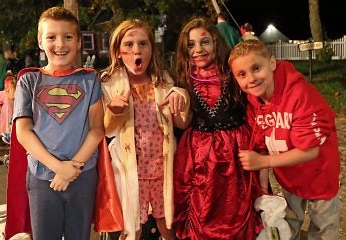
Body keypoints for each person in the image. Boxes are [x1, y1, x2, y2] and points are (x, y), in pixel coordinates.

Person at [228, 39, 341, 240]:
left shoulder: (299, 94)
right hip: (290, 177)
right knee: (289, 224)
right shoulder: (254, 102)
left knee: (324, 228)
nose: (251, 78)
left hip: (319, 174)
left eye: (256, 68)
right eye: (242, 74)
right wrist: (263, 188)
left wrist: (265, 162)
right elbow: (261, 145)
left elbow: (310, 150)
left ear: (272, 63)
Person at [12, 7, 105, 239]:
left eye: (68, 37)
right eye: (51, 37)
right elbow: (23, 132)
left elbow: (97, 129)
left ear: (78, 41)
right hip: (43, 178)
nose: (60, 44)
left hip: (82, 176)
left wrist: (71, 169)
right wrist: (58, 168)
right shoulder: (28, 80)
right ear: (41, 41)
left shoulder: (90, 79)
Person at [173, 17, 264, 239]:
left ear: (216, 42)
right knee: (201, 212)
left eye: (204, 42)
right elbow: (182, 123)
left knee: (239, 208)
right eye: (191, 45)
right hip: (199, 155)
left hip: (236, 152)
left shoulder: (234, 74)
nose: (198, 50)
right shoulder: (184, 79)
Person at [101, 18, 191, 240]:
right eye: (129, 45)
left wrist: (181, 98)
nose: (136, 50)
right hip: (130, 171)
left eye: (143, 43)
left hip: (162, 169)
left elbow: (182, 123)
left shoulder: (165, 81)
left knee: (167, 224)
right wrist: (113, 111)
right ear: (118, 51)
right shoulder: (108, 84)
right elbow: (106, 131)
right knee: (131, 228)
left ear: (151, 48)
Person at [0, 75, 16, 144]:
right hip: (15, 113)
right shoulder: (17, 93)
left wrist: (0, 108)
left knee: (7, 130)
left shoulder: (2, 93)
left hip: (5, 113)